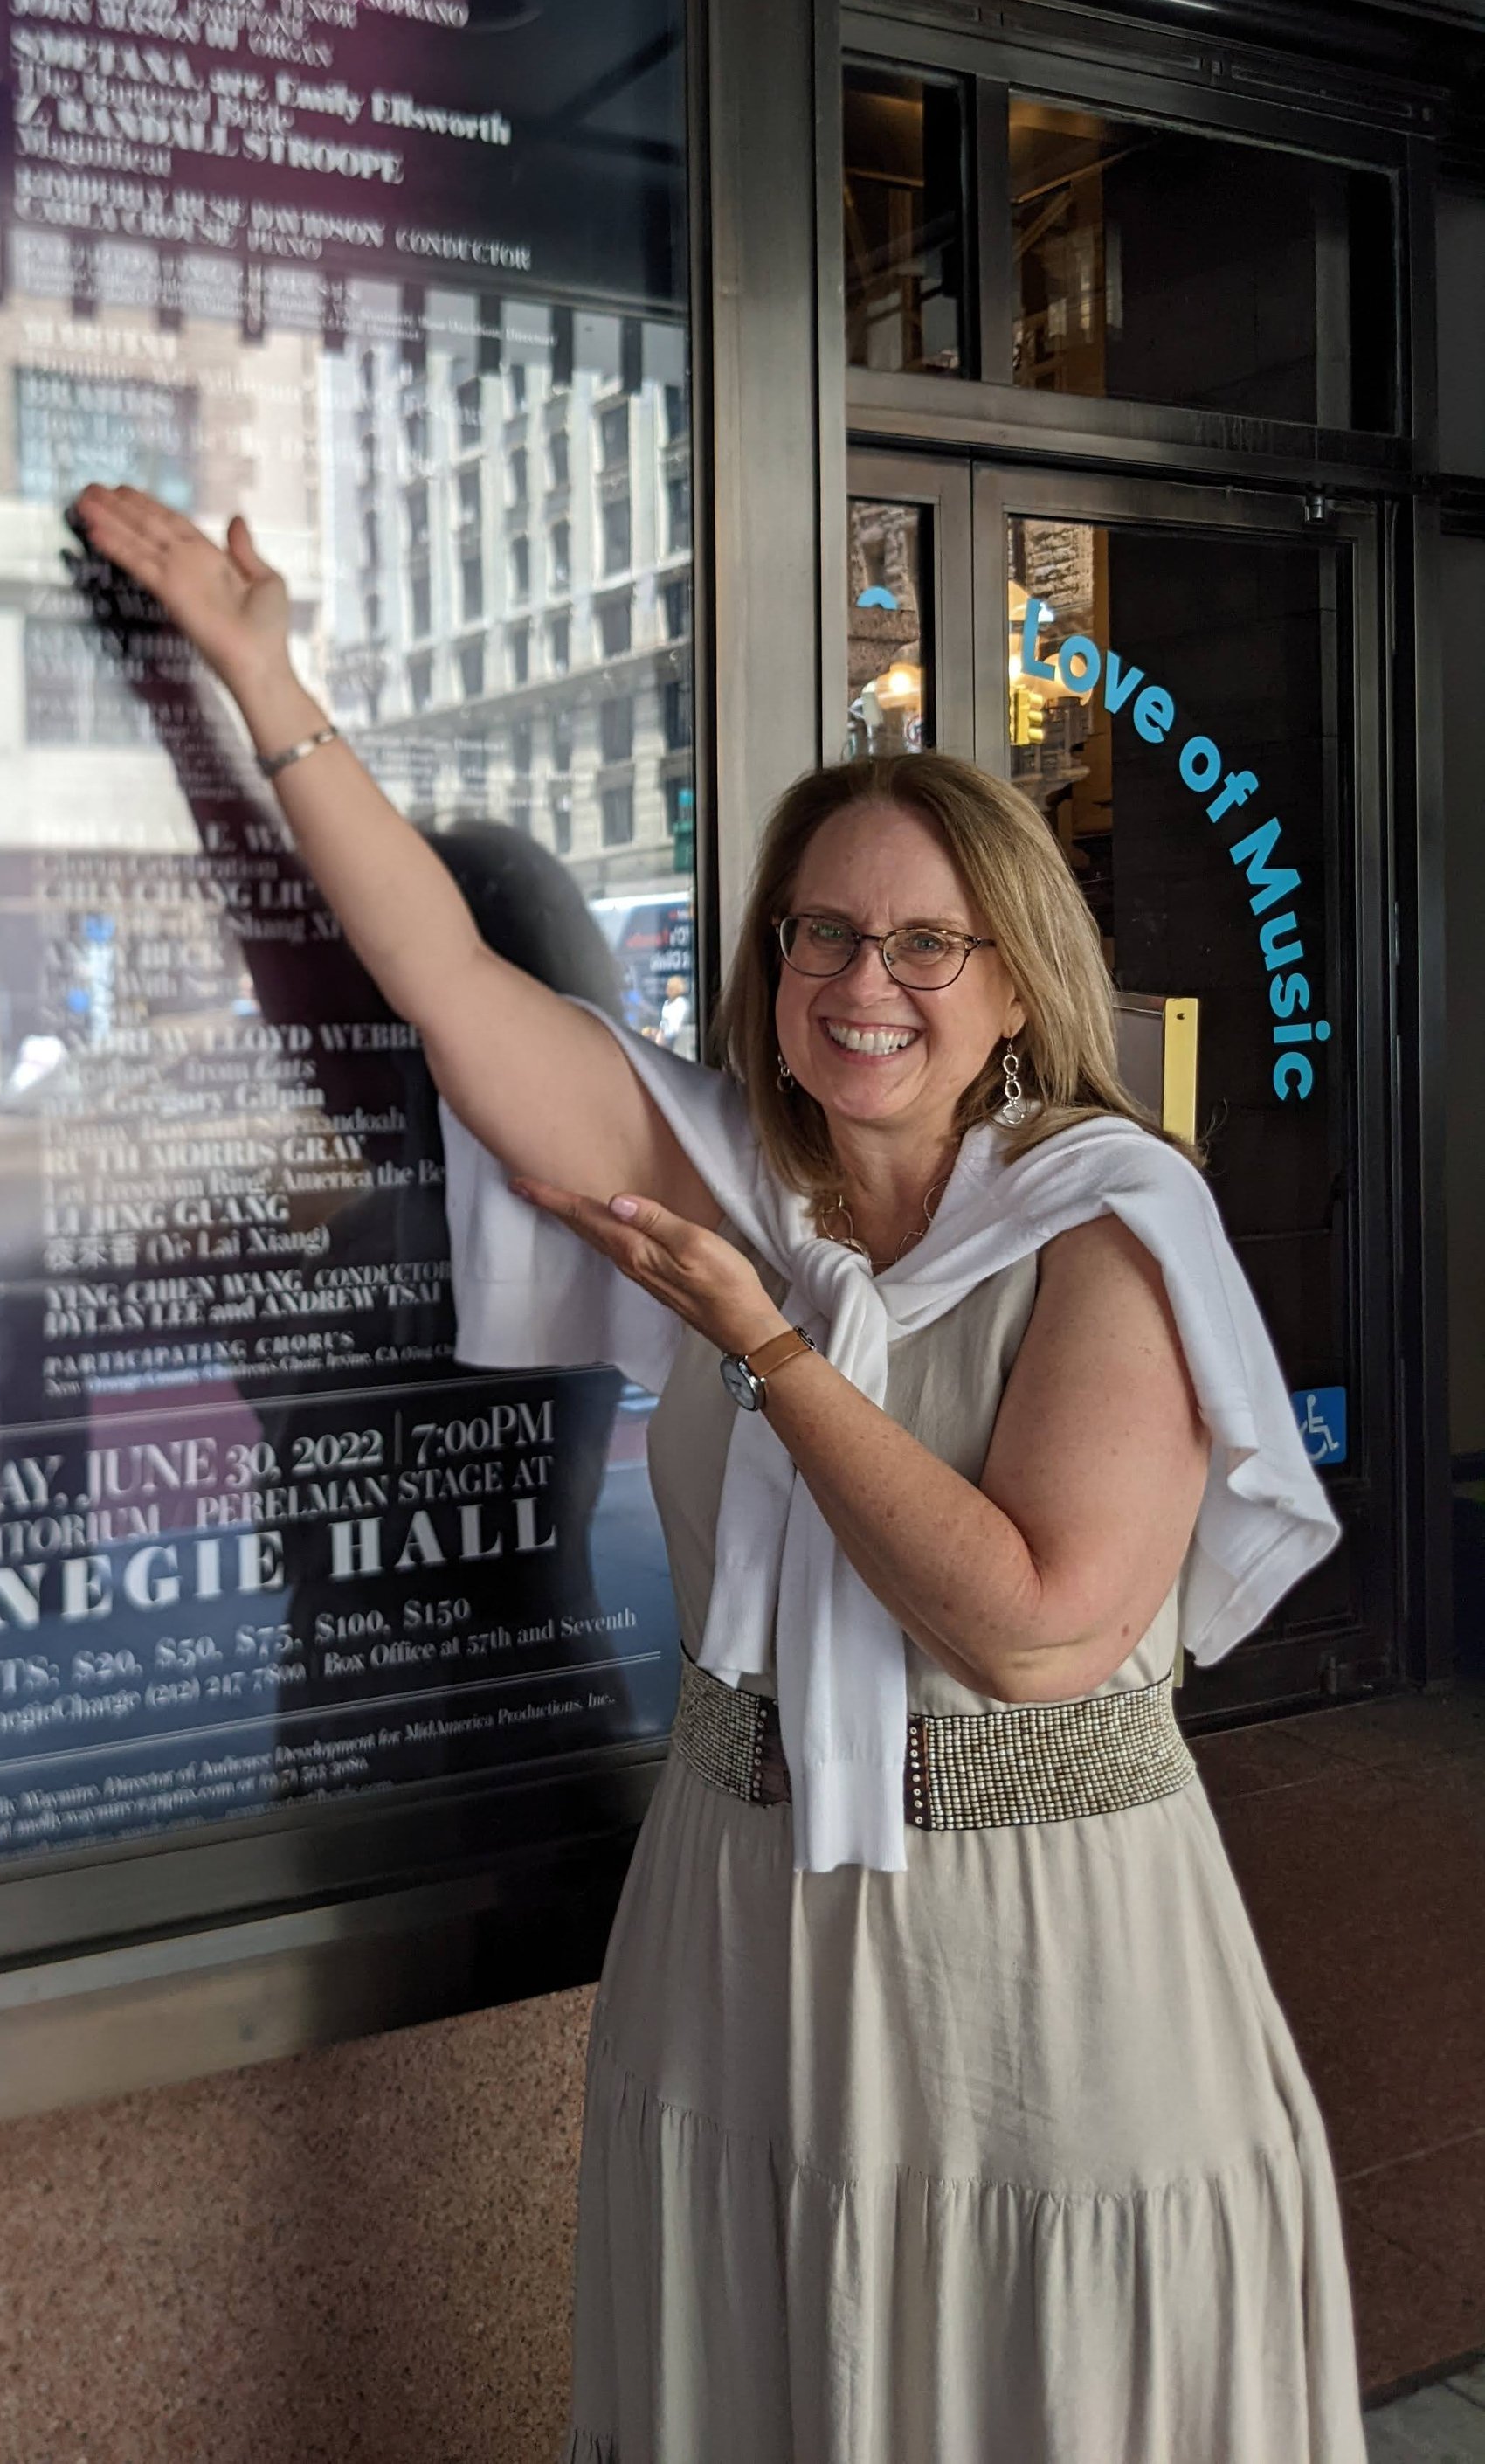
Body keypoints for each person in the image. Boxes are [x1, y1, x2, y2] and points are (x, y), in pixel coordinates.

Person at [70, 481, 1364, 2464]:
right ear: (769, 965)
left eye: (928, 943)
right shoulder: (732, 1188)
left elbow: (1026, 1632)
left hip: (1036, 1958)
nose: (868, 981)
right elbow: (449, 986)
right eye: (824, 934)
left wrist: (768, 1350)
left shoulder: (1110, 1220)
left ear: (1015, 982)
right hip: (747, 1920)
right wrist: (260, 681)